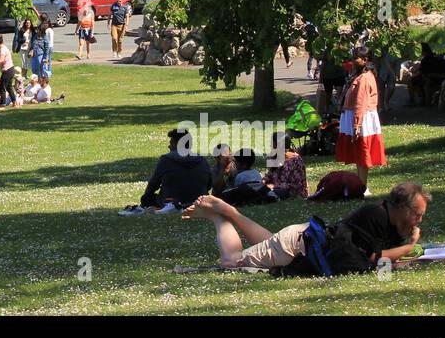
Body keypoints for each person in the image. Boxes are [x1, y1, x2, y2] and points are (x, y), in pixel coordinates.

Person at [180, 183, 429, 275]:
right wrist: (409, 247)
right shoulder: (375, 215)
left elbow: (377, 263)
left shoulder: (387, 219)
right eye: (417, 214)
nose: (419, 220)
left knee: (270, 242)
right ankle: (218, 216)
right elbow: (375, 258)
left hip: (299, 243)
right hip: (298, 246)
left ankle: (231, 212)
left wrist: (406, 249)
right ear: (401, 208)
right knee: (231, 261)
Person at [120, 128, 212, 216]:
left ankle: (169, 206)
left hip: (171, 201)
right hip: (198, 202)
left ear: (177, 144)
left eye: (171, 143)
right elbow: (209, 184)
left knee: (147, 198)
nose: (169, 146)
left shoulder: (167, 159)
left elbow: (153, 184)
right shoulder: (201, 160)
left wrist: (146, 198)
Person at [336, 45, 387, 190]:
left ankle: (363, 187)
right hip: (357, 117)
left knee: (363, 153)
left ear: (365, 60)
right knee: (359, 154)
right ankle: (360, 185)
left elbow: (360, 102)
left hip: (362, 119)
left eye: (355, 58)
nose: (352, 61)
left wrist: (357, 125)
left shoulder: (364, 77)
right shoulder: (360, 75)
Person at [265, 133, 309, 200]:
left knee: (268, 194)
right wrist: (263, 183)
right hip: (276, 189)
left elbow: (297, 185)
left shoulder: (295, 160)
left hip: (292, 193)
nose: (271, 146)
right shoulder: (273, 158)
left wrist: (274, 187)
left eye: (273, 144)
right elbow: (269, 176)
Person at [408, 42, 445, 107]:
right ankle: (422, 100)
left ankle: (412, 100)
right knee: (420, 80)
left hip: (431, 78)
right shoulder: (434, 57)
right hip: (439, 77)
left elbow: (422, 72)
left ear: (423, 51)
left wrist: (413, 75)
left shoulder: (425, 60)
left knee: (411, 80)